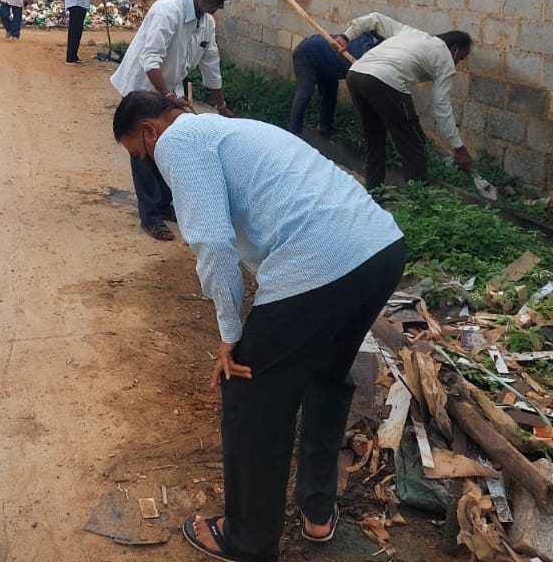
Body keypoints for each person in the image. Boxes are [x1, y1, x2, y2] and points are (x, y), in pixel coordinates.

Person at [112, 91, 405, 562]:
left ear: (149, 131)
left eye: (140, 154)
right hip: (379, 248)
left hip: (322, 260)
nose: (148, 164)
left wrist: (231, 335)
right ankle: (317, 511)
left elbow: (212, 241)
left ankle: (246, 538)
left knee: (248, 390)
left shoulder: (178, 140)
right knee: (326, 376)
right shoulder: (231, 130)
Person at [111, 0, 235, 241]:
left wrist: (221, 104)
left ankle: (165, 205)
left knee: (169, 147)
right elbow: (150, 60)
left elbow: (211, 63)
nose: (220, 7)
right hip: (143, 87)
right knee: (143, 149)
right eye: (218, 0)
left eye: (223, 1)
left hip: (168, 89)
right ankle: (151, 216)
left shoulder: (207, 22)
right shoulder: (167, 11)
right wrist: (168, 98)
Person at [339, 12, 474, 189]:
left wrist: (345, 36)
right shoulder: (446, 60)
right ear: (455, 48)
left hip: (356, 74)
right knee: (414, 143)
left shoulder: (409, 32)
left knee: (374, 138)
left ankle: (374, 194)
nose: (457, 63)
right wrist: (459, 148)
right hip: (383, 80)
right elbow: (441, 107)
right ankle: (417, 203)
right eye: (461, 57)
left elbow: (375, 18)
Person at [287, 32, 380, 138]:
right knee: (305, 91)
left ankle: (324, 126)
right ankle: (293, 133)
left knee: (330, 88)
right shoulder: (362, 57)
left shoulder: (367, 48)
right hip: (306, 53)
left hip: (326, 59)